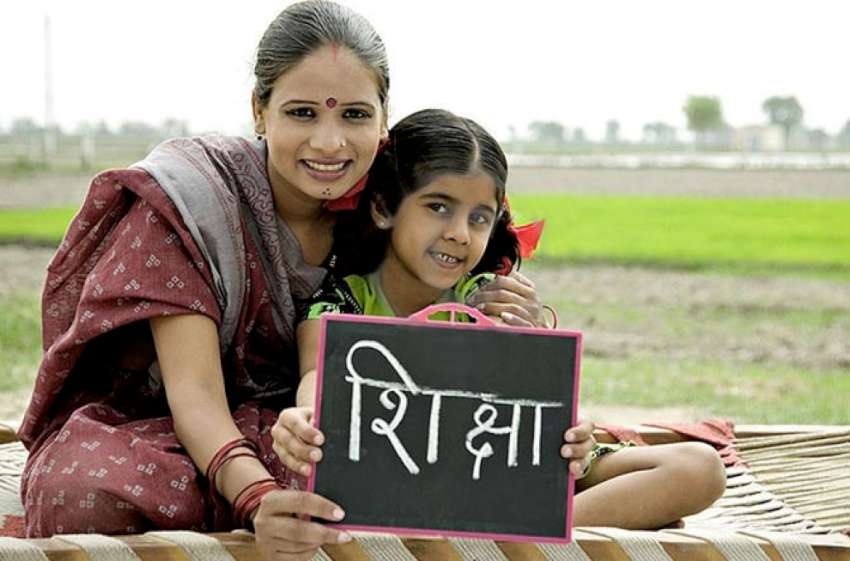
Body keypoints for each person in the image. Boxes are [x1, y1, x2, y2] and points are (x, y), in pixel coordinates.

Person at [18, 2, 547, 558]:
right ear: (259, 110)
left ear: (383, 117)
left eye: (354, 115)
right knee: (84, 491)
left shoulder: (394, 200)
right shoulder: (196, 202)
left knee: (363, 482)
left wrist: (514, 321)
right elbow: (196, 397)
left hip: (306, 429)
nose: (329, 143)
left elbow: (440, 327)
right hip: (162, 426)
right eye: (302, 113)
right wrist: (259, 498)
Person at [273, 109, 727, 532]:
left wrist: (571, 425)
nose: (459, 233)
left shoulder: (491, 300)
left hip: (503, 470)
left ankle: (511, 538)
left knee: (700, 467)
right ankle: (511, 536)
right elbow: (317, 375)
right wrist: (308, 416)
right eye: (438, 207)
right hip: (400, 470)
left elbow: (538, 412)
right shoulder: (341, 304)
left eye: (479, 218)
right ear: (384, 207)